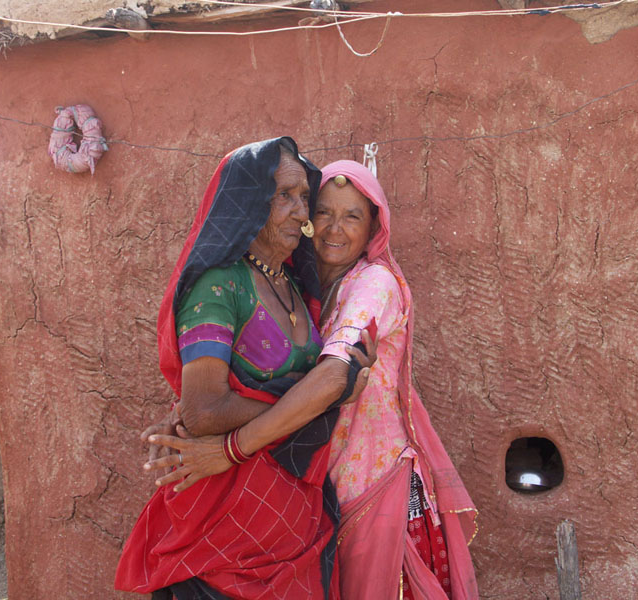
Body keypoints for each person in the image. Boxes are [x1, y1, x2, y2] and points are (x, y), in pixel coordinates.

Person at [147, 160, 479, 599]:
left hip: (374, 484)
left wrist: (228, 448)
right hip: (318, 489)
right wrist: (195, 414)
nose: (334, 229)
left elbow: (329, 379)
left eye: (352, 216)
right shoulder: (300, 288)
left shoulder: (374, 285)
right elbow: (274, 380)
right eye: (324, 212)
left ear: (374, 228)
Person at [115, 139, 374, 600]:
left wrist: (317, 394)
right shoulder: (221, 285)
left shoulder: (293, 284)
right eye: (284, 196)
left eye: (303, 199)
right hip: (223, 531)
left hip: (292, 523)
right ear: (249, 200)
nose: (301, 214)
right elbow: (205, 411)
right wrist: (315, 397)